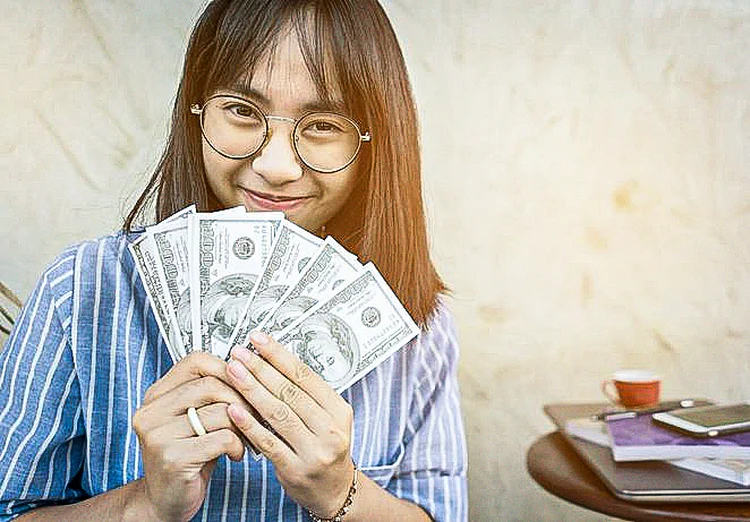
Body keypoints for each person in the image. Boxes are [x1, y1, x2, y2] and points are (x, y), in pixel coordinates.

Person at [0, 0, 468, 520]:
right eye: (243, 111)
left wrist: (341, 492)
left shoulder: (420, 326)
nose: (275, 166)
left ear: (375, 142)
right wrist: (146, 505)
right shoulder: (79, 290)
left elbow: (438, 512)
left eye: (323, 124)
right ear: (196, 112)